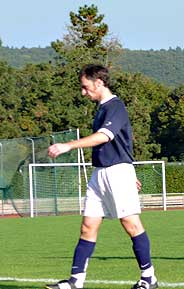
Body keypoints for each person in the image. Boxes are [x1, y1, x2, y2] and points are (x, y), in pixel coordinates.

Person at [46, 64, 158, 289]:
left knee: (131, 224)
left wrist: (68, 146)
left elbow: (104, 137)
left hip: (116, 172)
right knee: (88, 226)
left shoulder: (115, 106)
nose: (83, 92)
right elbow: (121, 143)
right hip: (100, 173)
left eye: (85, 87)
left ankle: (149, 278)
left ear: (99, 83)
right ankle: (75, 282)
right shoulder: (101, 109)